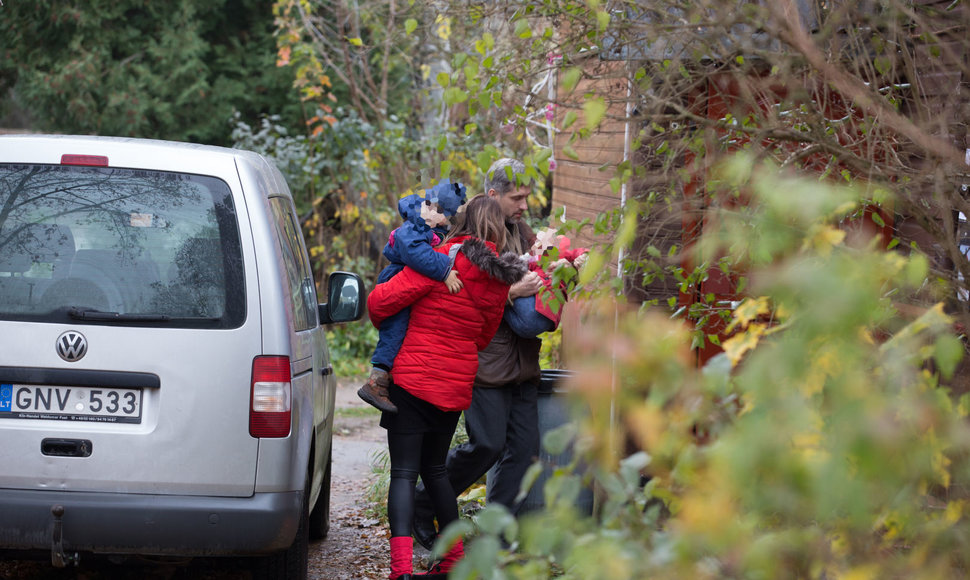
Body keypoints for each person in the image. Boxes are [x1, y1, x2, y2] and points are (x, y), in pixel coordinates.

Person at [366, 194, 527, 580]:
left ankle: (401, 570)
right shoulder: (498, 281)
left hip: (413, 381)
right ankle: (452, 560)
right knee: (436, 471)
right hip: (453, 388)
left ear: (462, 220)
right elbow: (484, 337)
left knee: (404, 474)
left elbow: (380, 303)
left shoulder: (442, 261)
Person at [412, 158, 549, 551]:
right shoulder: (472, 233)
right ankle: (423, 502)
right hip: (486, 358)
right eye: (516, 197)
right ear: (493, 195)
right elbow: (458, 297)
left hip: (523, 360)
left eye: (526, 197)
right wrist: (510, 294)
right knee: (487, 445)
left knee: (522, 454)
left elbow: (536, 276)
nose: (524, 205)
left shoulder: (522, 232)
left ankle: (494, 538)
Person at [358, 179, 468, 413]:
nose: (444, 220)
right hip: (396, 278)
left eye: (446, 214)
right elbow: (416, 253)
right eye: (444, 213)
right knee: (394, 330)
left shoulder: (428, 224)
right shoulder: (415, 226)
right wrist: (444, 270)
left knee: (401, 331)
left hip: (405, 277)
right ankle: (376, 381)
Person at [505, 225, 588, 337]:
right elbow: (525, 261)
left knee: (503, 306)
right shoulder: (537, 258)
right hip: (539, 320)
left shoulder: (561, 256)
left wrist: (581, 258)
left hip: (539, 310)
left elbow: (580, 252)